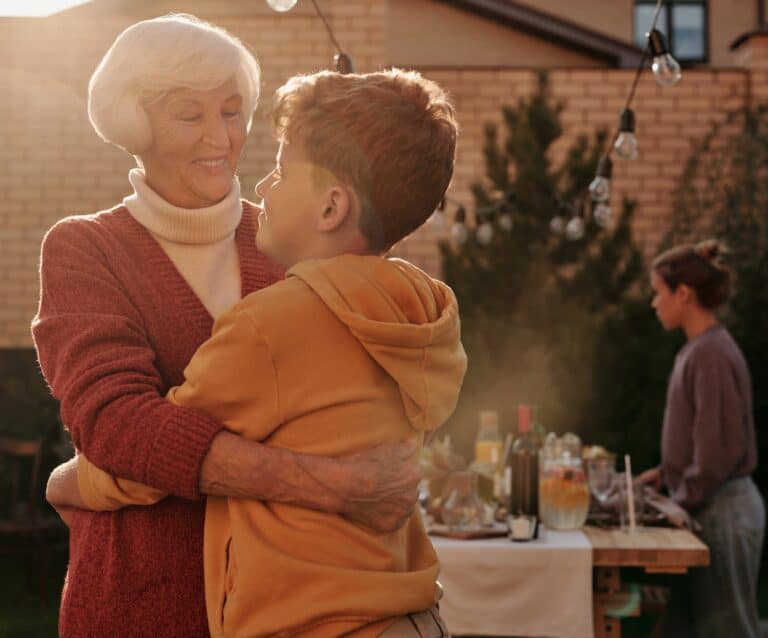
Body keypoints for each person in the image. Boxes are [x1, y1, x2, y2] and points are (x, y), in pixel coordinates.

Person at [34, 15, 421, 638]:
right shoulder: (85, 249)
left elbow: (347, 407)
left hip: (287, 606)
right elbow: (116, 423)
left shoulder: (297, 238)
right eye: (190, 115)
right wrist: (331, 485)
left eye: (234, 111)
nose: (222, 137)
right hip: (145, 602)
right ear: (137, 122)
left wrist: (81, 481)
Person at [638, 240, 764, 638]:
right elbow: (704, 437)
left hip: (723, 512)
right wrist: (664, 473)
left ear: (684, 294)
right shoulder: (699, 350)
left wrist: (676, 504)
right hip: (712, 507)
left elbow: (715, 455)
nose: (654, 303)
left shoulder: (710, 354)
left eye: (659, 293)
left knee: (727, 631)